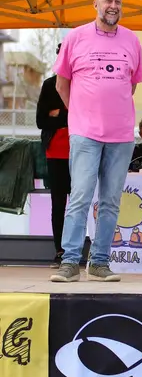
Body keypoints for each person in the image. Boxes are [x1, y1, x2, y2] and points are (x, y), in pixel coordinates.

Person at [49, 0, 142, 283]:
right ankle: (69, 262)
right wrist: (80, 112)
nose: (113, 6)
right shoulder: (75, 37)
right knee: (79, 197)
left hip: (120, 136)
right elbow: (61, 85)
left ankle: (100, 261)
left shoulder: (132, 39)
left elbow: (132, 84)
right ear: (96, 5)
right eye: (108, 1)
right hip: (85, 134)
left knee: (111, 201)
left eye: (118, 1)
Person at [36, 43, 70, 268]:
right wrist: (66, 116)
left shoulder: (83, 83)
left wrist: (58, 115)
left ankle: (80, 249)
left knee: (83, 203)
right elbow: (41, 121)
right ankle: (60, 250)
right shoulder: (49, 85)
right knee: (59, 203)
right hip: (56, 151)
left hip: (83, 150)